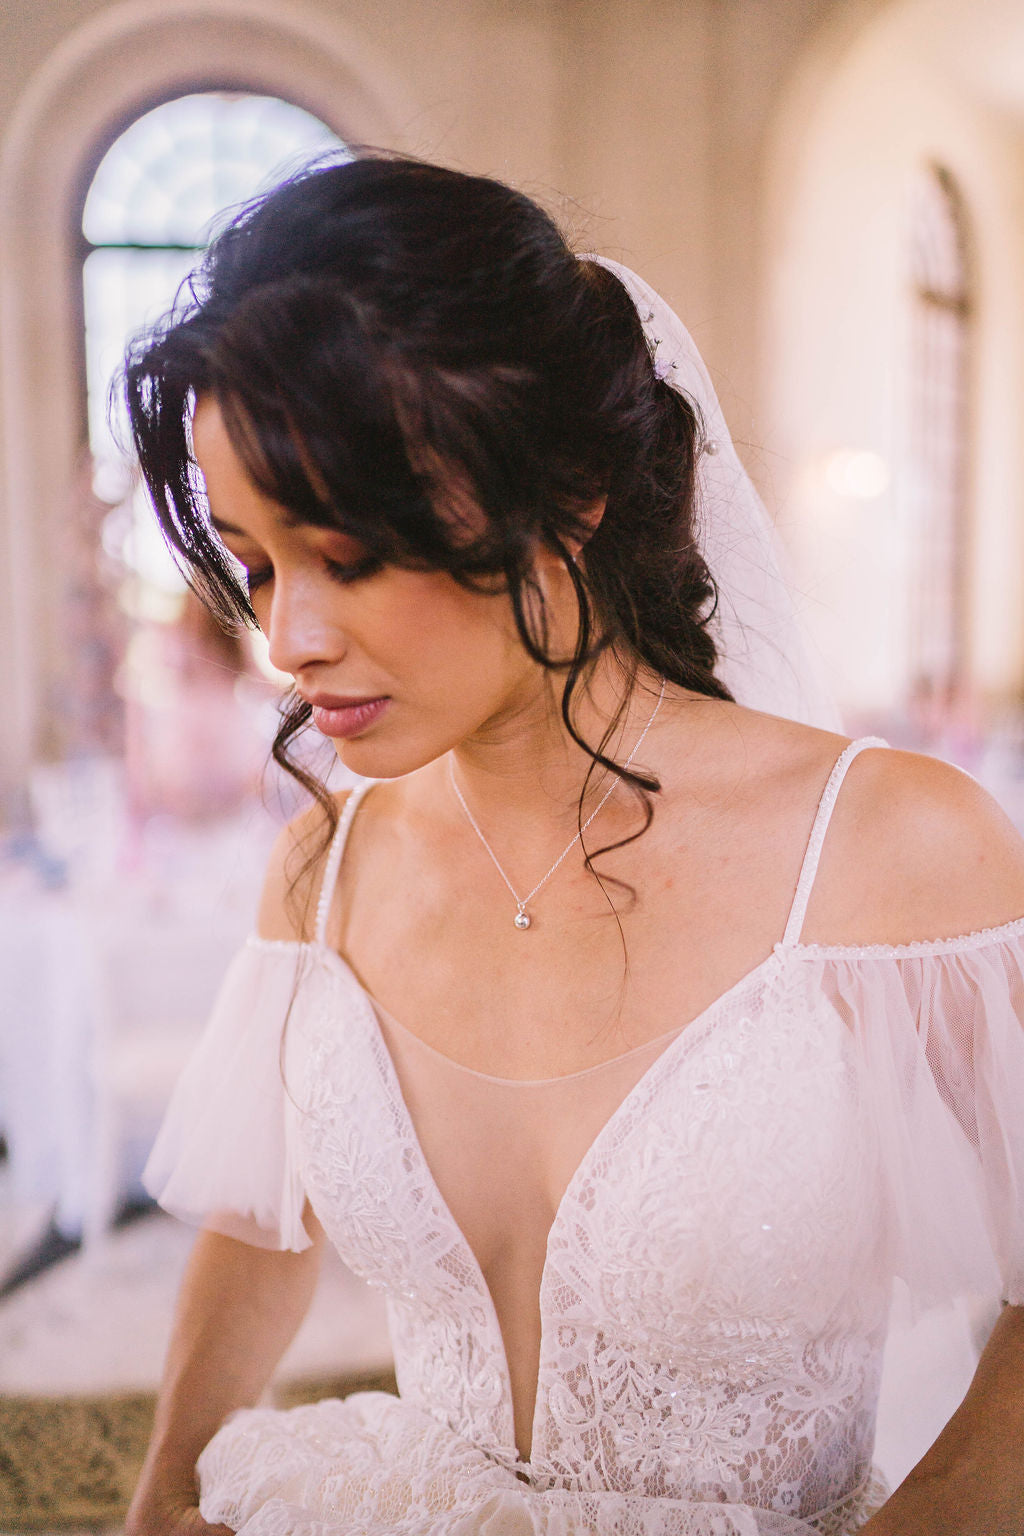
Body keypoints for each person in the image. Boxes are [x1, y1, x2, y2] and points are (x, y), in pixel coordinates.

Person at [123, 156, 1024, 1536]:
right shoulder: (322, 874)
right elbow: (255, 1225)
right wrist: (158, 1500)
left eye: (346, 555)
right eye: (254, 566)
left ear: (574, 491)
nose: (288, 639)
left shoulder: (894, 851)